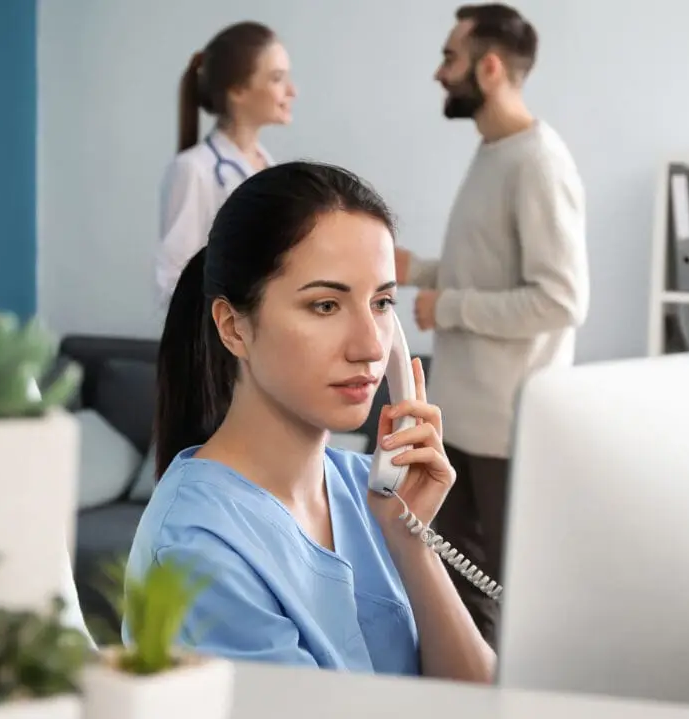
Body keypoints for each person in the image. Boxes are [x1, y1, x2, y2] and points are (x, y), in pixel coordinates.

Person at [126, 160, 496, 684]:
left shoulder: (366, 491)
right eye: (325, 305)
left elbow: (481, 703)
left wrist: (411, 541)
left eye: (382, 302)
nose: (371, 345)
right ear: (234, 327)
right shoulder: (198, 549)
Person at [394, 4, 590, 649]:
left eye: (449, 58)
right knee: (456, 593)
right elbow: (494, 269)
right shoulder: (495, 153)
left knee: (507, 603)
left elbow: (560, 300)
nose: (437, 73)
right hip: (468, 426)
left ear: (490, 66)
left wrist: (444, 307)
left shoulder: (538, 161)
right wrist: (420, 270)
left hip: (508, 433)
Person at [152, 21, 297, 308]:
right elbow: (173, 283)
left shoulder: (269, 168)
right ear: (238, 90)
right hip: (221, 342)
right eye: (277, 78)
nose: (292, 91)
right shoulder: (194, 170)